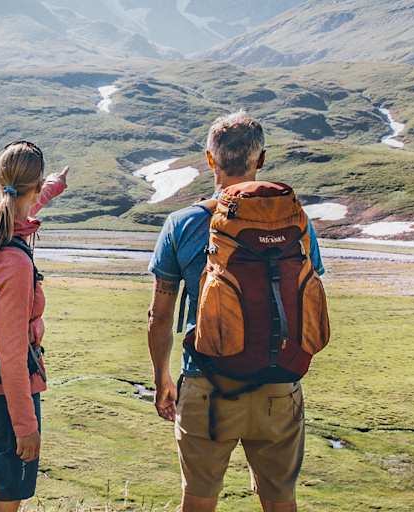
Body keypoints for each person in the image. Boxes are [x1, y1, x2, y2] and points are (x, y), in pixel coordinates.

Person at [145, 112, 325, 512]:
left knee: (198, 502)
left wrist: (161, 379)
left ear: (210, 159)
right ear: (260, 160)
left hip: (207, 386)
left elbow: (159, 317)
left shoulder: (183, 224)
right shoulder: (298, 222)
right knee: (280, 502)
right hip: (280, 385)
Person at [0, 141, 67, 512]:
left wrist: (53, 186)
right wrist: (26, 426)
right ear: (32, 186)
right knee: (9, 497)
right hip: (5, 393)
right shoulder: (15, 263)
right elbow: (11, 352)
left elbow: (23, 205)